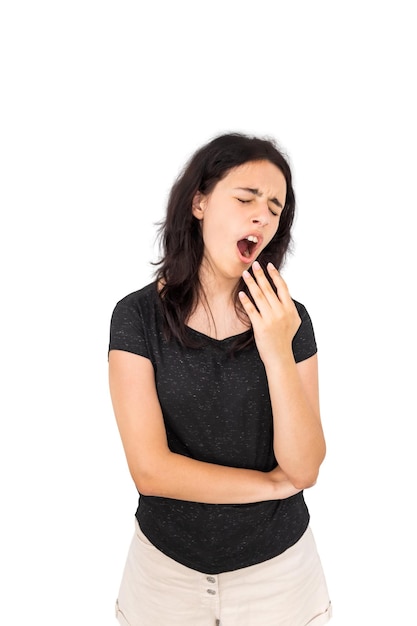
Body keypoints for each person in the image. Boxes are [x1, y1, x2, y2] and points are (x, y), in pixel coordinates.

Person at [108, 132, 332, 625]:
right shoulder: (136, 317)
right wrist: (271, 487)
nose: (262, 215)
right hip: (164, 573)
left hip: (279, 574)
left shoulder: (290, 321)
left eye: (275, 207)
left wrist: (275, 346)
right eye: (246, 197)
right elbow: (150, 470)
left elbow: (305, 466)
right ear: (200, 202)